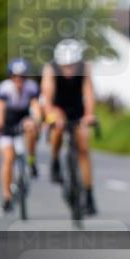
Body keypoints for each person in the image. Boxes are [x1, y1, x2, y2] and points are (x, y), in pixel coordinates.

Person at [40, 39, 99, 216]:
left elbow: (88, 93)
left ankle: (88, 195)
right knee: (57, 127)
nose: (69, 70)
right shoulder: (50, 69)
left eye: (72, 65)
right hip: (56, 108)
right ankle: (55, 160)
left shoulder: (85, 68)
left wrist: (89, 115)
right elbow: (47, 100)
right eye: (65, 66)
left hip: (77, 109)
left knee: (83, 147)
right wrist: (53, 116)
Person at [0, 58, 43, 214]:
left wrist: (36, 120)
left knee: (31, 127)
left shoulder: (31, 87)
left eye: (22, 77)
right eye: (15, 76)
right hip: (7, 123)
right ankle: (7, 196)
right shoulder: (5, 88)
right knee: (8, 158)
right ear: (11, 77)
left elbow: (36, 106)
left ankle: (31, 160)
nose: (18, 80)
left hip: (24, 119)